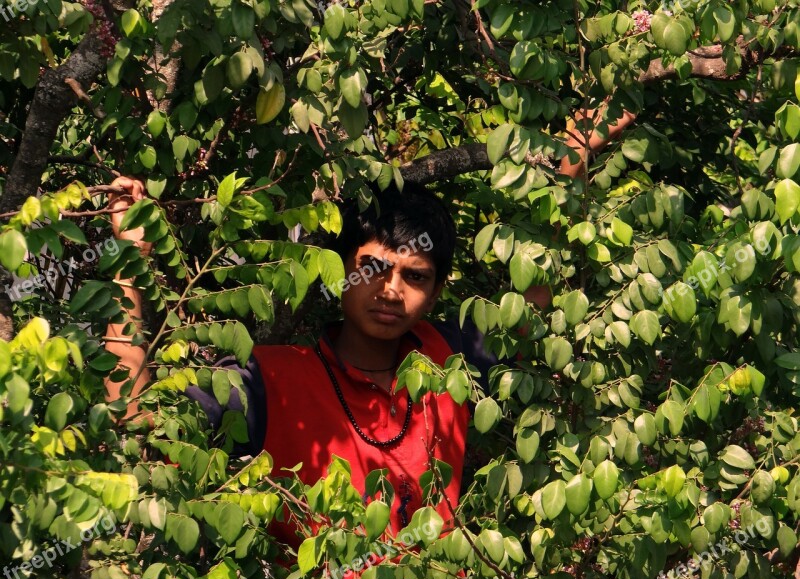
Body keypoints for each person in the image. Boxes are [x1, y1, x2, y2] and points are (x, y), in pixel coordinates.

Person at [104, 104, 635, 548]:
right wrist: (131, 265)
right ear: (341, 272)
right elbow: (136, 424)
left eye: (415, 276)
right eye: (373, 268)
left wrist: (570, 165)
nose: (390, 290)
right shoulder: (271, 379)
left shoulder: (447, 358)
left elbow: (533, 309)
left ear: (438, 290)